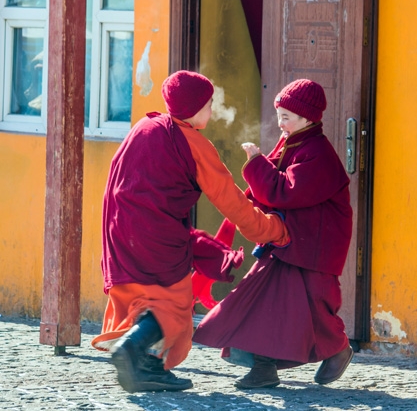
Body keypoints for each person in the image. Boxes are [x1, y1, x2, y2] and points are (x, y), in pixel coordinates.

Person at [92, 70, 289, 393]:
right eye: (209, 104)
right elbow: (233, 204)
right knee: (173, 302)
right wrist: (273, 231)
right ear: (196, 107)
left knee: (144, 298)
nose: (212, 110)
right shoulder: (194, 144)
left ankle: (149, 368)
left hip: (118, 228)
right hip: (155, 233)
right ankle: (132, 349)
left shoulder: (144, 126)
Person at [193, 79, 354, 390]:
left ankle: (338, 348)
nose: (280, 123)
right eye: (279, 115)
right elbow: (270, 186)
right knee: (259, 299)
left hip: (315, 246)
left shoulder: (318, 152)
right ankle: (263, 367)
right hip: (288, 242)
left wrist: (255, 163)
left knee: (314, 306)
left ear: (308, 118)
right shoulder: (293, 142)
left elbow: (284, 191)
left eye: (286, 117)